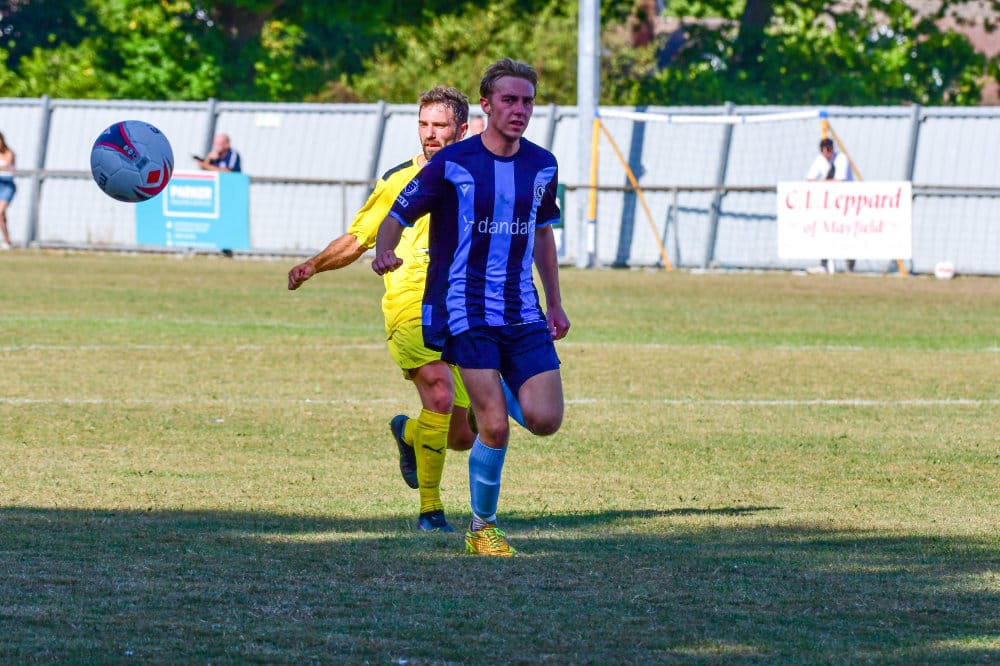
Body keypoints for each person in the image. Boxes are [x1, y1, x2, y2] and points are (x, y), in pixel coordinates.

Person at [373, 57, 570, 557]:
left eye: (527, 101)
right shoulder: (453, 162)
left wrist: (555, 302)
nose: (519, 109)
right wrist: (384, 250)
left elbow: (542, 234)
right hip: (465, 309)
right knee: (494, 426)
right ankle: (483, 529)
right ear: (486, 105)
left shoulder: (542, 165)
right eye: (509, 99)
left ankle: (495, 385)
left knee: (546, 419)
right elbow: (397, 213)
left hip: (522, 310)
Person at [288, 86, 475, 533]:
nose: (430, 134)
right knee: (439, 393)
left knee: (462, 435)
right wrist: (313, 265)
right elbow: (358, 238)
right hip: (409, 303)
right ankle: (431, 512)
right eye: (424, 125)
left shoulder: (479, 177)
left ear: (463, 130)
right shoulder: (398, 180)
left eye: (440, 126)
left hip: (461, 308)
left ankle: (407, 432)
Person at [806, 137, 855, 273]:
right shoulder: (820, 161)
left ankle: (850, 265)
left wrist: (822, 183)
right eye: (825, 151)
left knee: (847, 232)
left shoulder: (841, 159)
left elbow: (839, 181)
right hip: (828, 204)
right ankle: (824, 263)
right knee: (825, 231)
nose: (828, 154)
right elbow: (810, 179)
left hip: (846, 203)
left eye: (829, 150)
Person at [0, 131, 15, 250]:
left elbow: (8, 165)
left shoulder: (9, 153)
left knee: (0, 212)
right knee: (2, 216)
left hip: (7, 186)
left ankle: (7, 241)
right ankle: (7, 240)